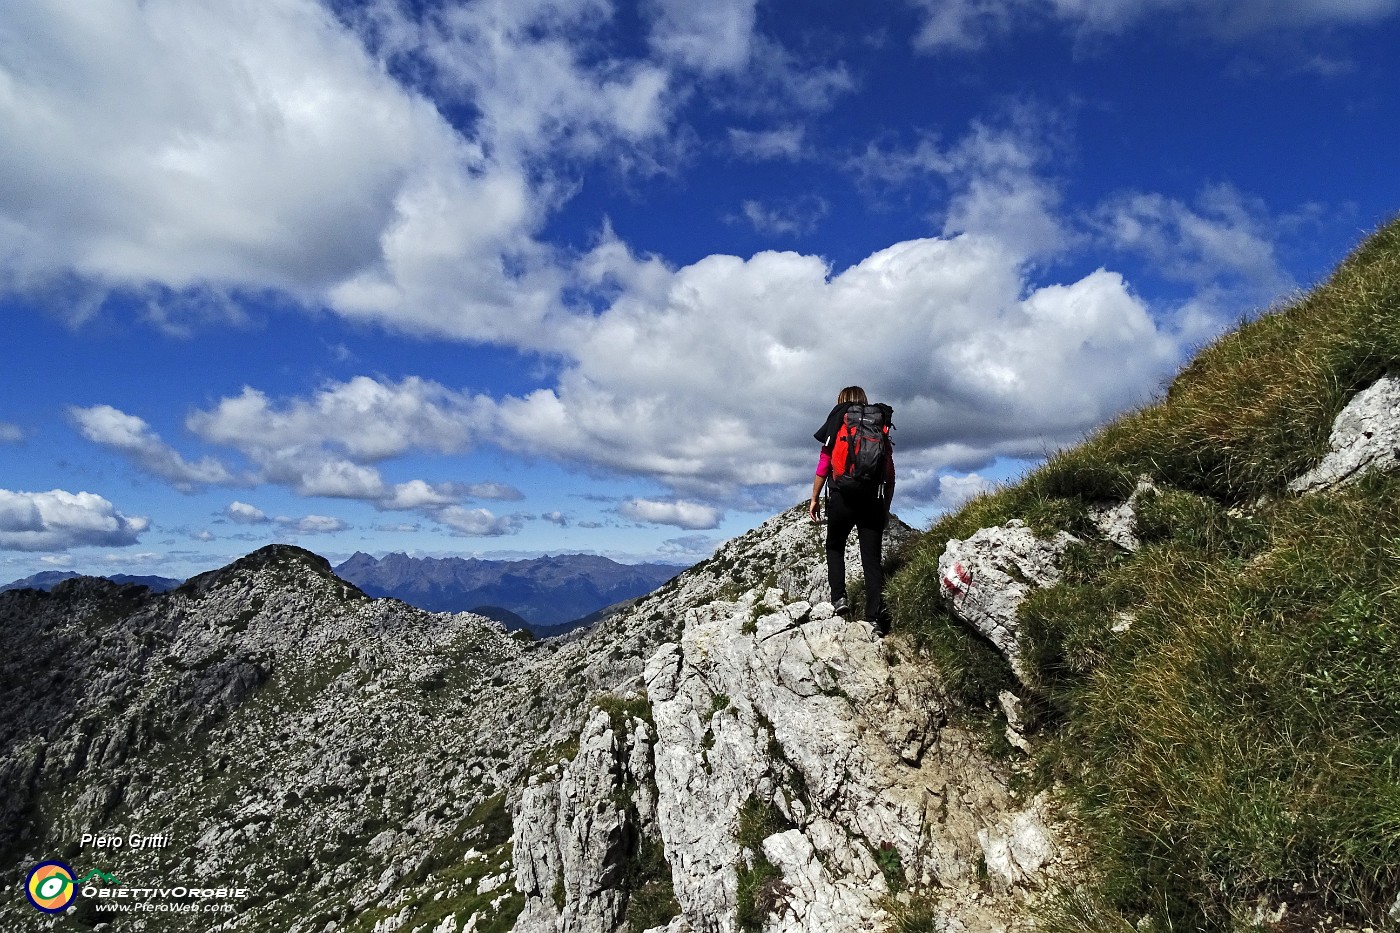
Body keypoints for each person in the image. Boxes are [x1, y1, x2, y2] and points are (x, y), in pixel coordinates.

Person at [808, 386, 895, 635]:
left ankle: (840, 599)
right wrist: (885, 508)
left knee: (835, 546)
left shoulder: (839, 420)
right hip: (872, 500)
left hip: (841, 498)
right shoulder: (879, 425)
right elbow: (889, 473)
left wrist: (814, 498)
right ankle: (875, 619)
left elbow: (824, 463)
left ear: (841, 402)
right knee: (871, 559)